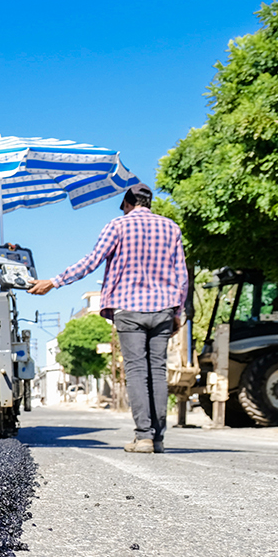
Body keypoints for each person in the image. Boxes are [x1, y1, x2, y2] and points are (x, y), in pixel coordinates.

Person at [29, 183, 188, 453]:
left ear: (127, 203)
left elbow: (92, 261)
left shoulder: (118, 226)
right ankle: (158, 439)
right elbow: (181, 276)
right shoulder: (171, 228)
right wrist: (178, 313)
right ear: (148, 203)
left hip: (129, 309)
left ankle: (144, 437)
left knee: (137, 372)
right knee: (157, 373)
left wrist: (54, 282)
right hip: (163, 308)